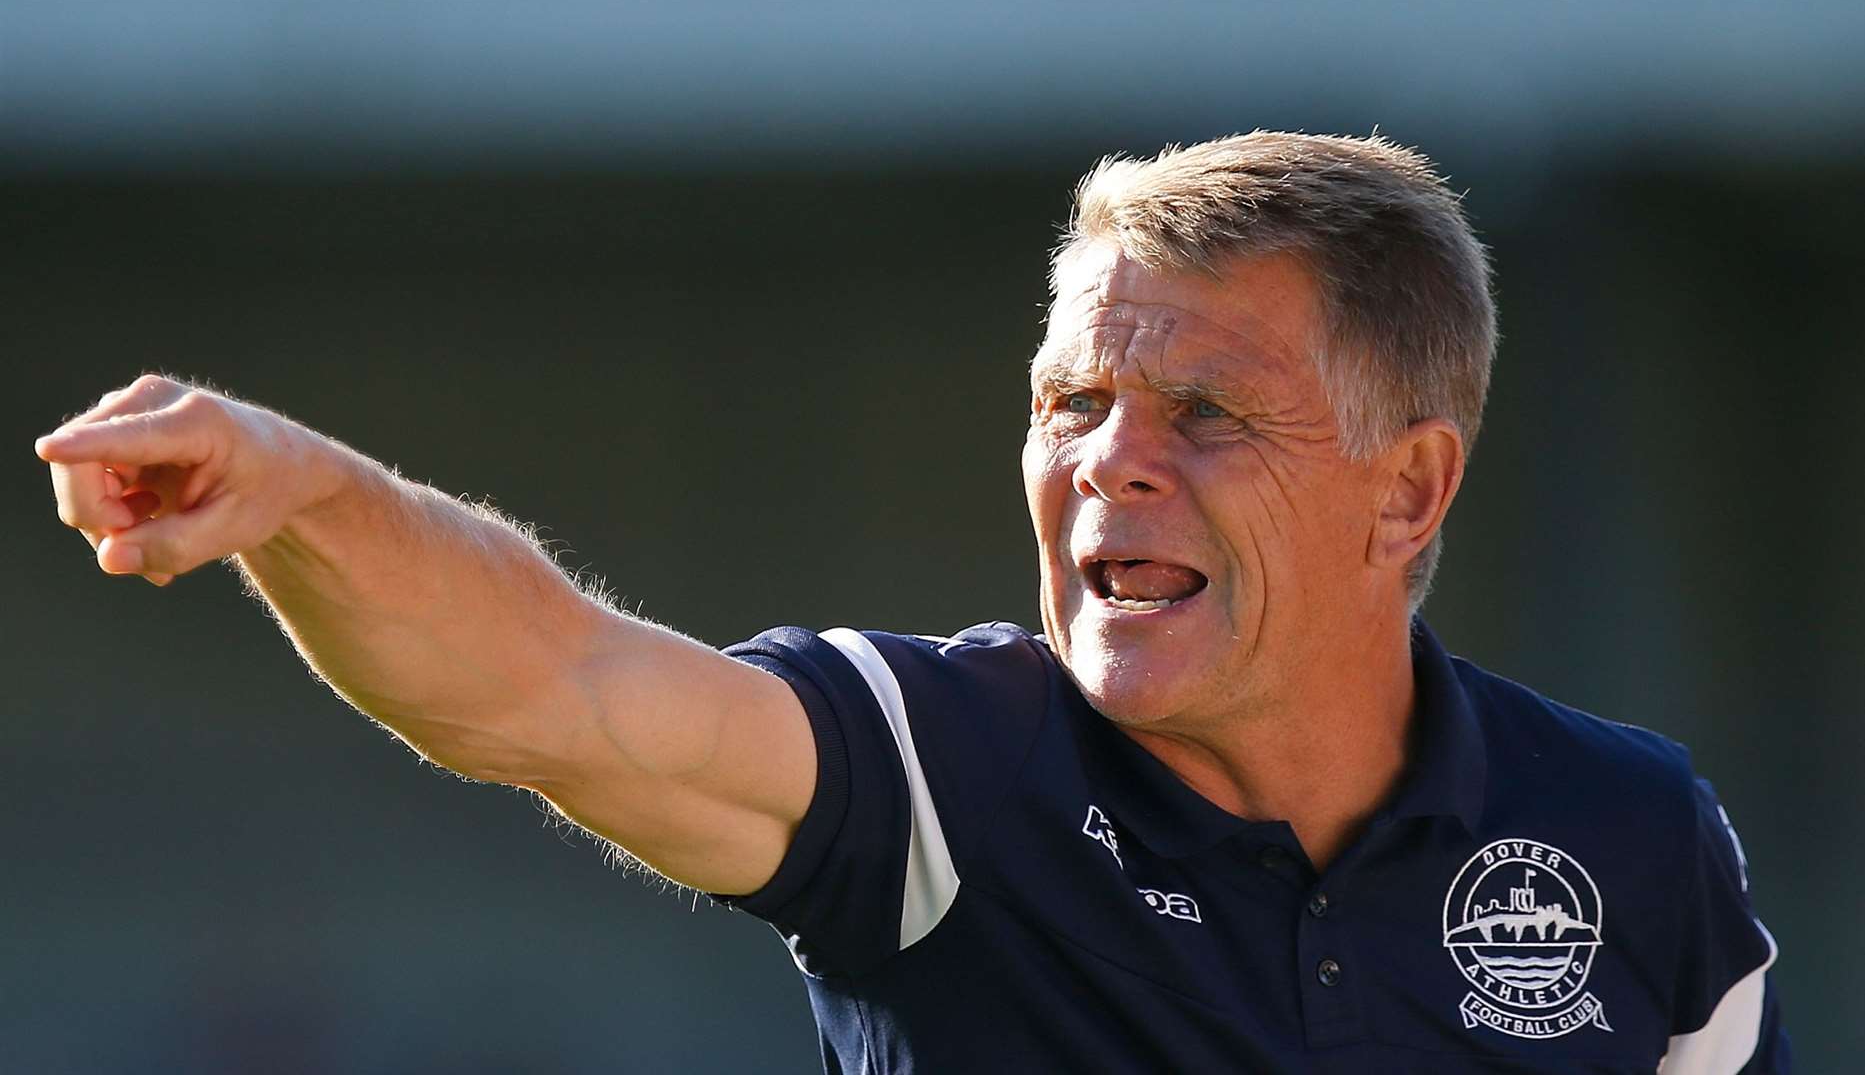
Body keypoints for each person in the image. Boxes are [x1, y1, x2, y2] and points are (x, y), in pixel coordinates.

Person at [35, 132, 1787, 1073]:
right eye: (1067, 406)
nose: (1106, 462)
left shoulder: (1628, 835)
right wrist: (308, 494)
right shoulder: (948, 770)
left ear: (1406, 492)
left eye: (1201, 413)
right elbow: (547, 683)